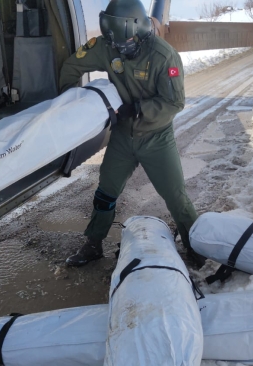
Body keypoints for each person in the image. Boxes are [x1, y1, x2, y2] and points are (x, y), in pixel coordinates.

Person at [59, 0, 203, 267]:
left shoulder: (164, 56)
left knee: (176, 196)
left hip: (156, 137)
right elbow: (72, 67)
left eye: (126, 45)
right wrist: (68, 106)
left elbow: (174, 103)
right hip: (124, 137)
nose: (121, 51)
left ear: (139, 31)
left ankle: (196, 246)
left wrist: (138, 109)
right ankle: (93, 244)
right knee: (106, 192)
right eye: (116, 46)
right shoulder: (108, 45)